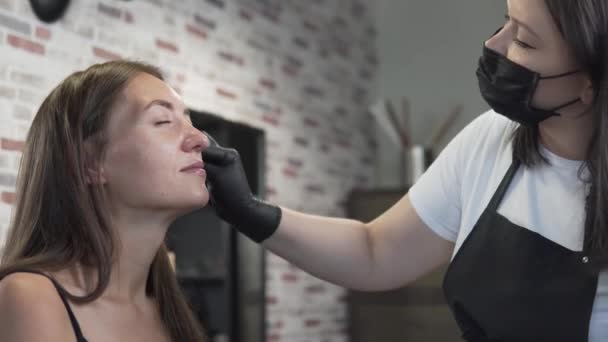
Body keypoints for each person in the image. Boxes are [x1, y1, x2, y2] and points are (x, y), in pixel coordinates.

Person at [202, 0, 608, 340]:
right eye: (505, 22)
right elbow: (374, 251)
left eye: (522, 40)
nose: (494, 45)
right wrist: (249, 211)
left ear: (589, 84)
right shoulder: (490, 140)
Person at [0, 61, 210, 341]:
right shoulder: (31, 297)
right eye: (162, 121)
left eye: (190, 122)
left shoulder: (169, 309)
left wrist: (258, 217)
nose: (200, 139)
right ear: (91, 162)